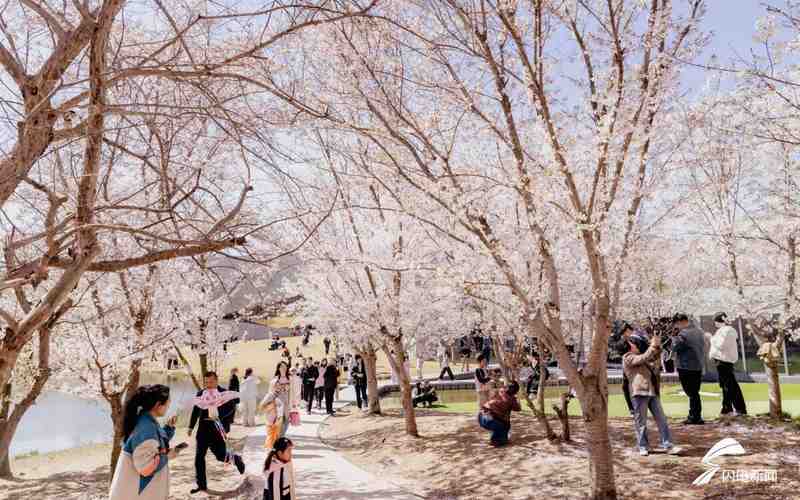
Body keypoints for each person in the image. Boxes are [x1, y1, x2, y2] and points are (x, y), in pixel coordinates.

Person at [109, 385, 180, 500]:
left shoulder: (145, 420)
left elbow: (154, 443)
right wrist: (167, 456)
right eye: (168, 403)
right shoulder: (146, 427)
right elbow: (146, 467)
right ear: (158, 405)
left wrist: (169, 428)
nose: (169, 406)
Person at [623, 333, 682, 456]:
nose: (638, 345)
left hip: (652, 392)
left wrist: (657, 345)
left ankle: (668, 445)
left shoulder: (644, 356)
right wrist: (652, 346)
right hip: (639, 393)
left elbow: (654, 356)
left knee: (662, 420)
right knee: (641, 423)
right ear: (630, 345)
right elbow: (643, 358)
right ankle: (643, 446)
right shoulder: (627, 357)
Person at [188, 372, 245, 495]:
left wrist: (217, 413)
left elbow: (231, 408)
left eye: (211, 382)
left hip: (217, 430)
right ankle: (201, 485)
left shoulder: (223, 394)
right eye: (206, 382)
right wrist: (190, 427)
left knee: (220, 455)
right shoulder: (201, 394)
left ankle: (236, 459)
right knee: (199, 458)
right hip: (203, 431)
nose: (208, 385)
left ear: (216, 381)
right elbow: (195, 411)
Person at [671, 313, 706, 425]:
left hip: (686, 366)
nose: (676, 326)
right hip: (698, 365)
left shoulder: (683, 333)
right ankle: (696, 415)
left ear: (680, 322)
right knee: (695, 392)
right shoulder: (699, 331)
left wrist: (674, 337)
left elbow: (675, 347)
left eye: (676, 324)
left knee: (691, 392)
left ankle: (694, 416)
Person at [710, 312, 747, 416]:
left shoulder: (726, 331)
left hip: (724, 361)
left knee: (730, 385)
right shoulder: (724, 331)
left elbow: (721, 345)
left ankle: (736, 408)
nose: (714, 324)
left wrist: (711, 339)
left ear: (718, 321)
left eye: (715, 321)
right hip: (722, 361)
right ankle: (728, 408)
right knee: (727, 385)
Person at [261, 361, 300, 440]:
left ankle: (280, 438)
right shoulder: (274, 380)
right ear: (278, 368)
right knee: (277, 424)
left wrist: (294, 403)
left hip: (287, 405)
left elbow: (294, 392)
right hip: (276, 406)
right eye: (282, 367)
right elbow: (270, 393)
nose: (283, 368)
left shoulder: (290, 379)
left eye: (285, 367)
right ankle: (277, 441)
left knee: (286, 423)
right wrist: (265, 403)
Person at [478, 381, 521, 447]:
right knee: (503, 425)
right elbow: (518, 409)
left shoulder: (500, 391)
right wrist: (517, 398)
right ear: (514, 391)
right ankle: (495, 440)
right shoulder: (511, 399)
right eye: (516, 391)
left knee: (505, 423)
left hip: (480, 416)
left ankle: (502, 439)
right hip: (488, 420)